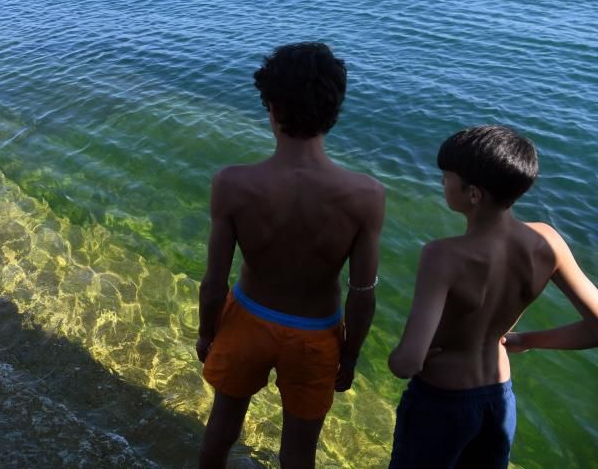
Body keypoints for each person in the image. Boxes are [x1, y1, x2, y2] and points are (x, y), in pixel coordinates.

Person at [197, 42, 385, 469]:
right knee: (299, 451)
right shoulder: (366, 195)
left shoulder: (232, 183)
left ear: (272, 107)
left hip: (245, 320)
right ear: (334, 110)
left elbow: (214, 283)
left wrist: (207, 333)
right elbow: (362, 293)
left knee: (222, 427)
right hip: (316, 336)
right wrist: (351, 354)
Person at [387, 125, 598, 468]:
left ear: (473, 194)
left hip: (441, 403)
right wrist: (527, 339)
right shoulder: (548, 241)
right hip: (499, 400)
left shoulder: (443, 256)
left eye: (447, 176)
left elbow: (407, 363)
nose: (442, 181)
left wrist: (403, 358)